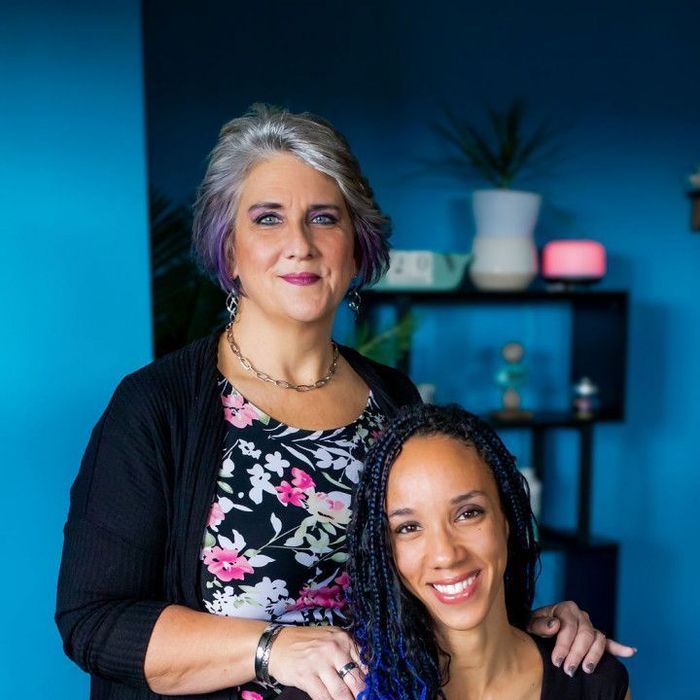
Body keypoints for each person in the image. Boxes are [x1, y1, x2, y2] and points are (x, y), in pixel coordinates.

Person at [56, 105, 632, 700]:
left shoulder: (394, 402)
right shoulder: (158, 408)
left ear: (355, 248)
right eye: (268, 219)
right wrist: (270, 647)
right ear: (229, 251)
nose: (300, 245)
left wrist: (531, 627)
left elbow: (437, 574)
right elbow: (94, 622)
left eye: (323, 218)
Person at [348, 403, 631, 699]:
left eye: (468, 513)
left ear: (505, 519)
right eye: (408, 528)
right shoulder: (344, 689)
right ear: (385, 549)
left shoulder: (597, 685)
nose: (446, 554)